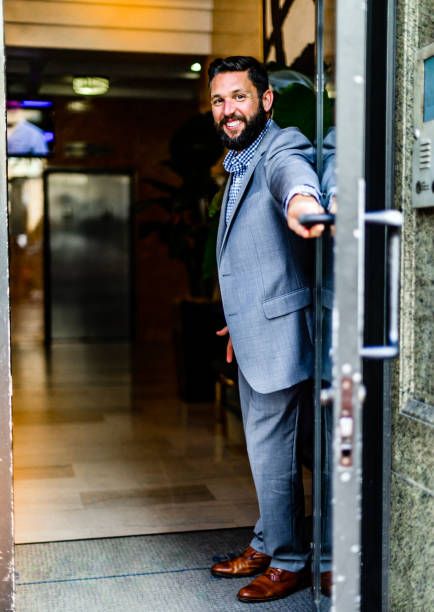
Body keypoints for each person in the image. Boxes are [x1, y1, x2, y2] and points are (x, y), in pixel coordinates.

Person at [208, 56, 332, 603]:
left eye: (239, 97)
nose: (228, 110)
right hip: (258, 328)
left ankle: (287, 560)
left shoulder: (279, 146)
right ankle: (268, 539)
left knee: (273, 451)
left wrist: (303, 202)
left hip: (283, 331)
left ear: (266, 101)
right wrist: (238, 321)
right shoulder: (237, 161)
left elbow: (294, 176)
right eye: (218, 100)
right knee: (269, 453)